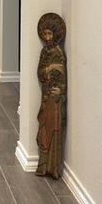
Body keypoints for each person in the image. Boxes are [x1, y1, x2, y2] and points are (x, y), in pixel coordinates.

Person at [35, 13, 67, 178]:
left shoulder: (59, 53)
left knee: (54, 129)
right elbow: (40, 72)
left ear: (56, 34)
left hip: (55, 99)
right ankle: (42, 165)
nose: (47, 38)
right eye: (45, 34)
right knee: (44, 129)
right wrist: (48, 69)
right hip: (46, 97)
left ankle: (53, 167)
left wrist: (60, 91)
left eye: (50, 34)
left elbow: (63, 78)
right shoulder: (44, 52)